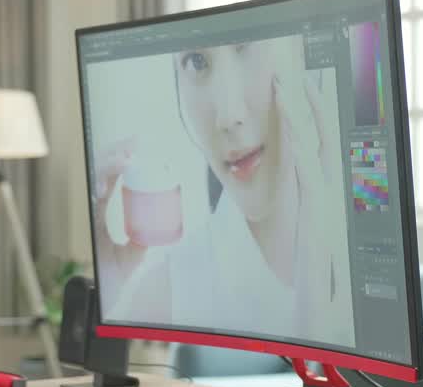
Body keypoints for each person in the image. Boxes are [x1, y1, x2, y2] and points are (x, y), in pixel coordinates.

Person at [91, 35, 355, 348]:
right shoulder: (166, 293)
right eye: (196, 61)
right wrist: (109, 288)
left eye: (245, 45)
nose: (228, 117)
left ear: (301, 52)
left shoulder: (367, 267)